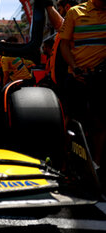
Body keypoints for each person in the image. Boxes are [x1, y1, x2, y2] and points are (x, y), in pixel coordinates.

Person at [59, 0, 106, 167]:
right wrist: (75, 67)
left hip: (100, 80)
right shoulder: (75, 12)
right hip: (76, 77)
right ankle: (64, 162)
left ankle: (97, 164)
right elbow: (64, 45)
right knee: (69, 121)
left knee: (100, 123)